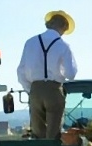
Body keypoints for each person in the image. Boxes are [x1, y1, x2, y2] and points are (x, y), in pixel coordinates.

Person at [16, 11, 77, 139]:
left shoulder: (30, 42)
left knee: (38, 132)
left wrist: (30, 89)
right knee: (54, 132)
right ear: (64, 28)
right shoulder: (63, 45)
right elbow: (70, 74)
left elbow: (21, 71)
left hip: (35, 89)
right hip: (54, 88)